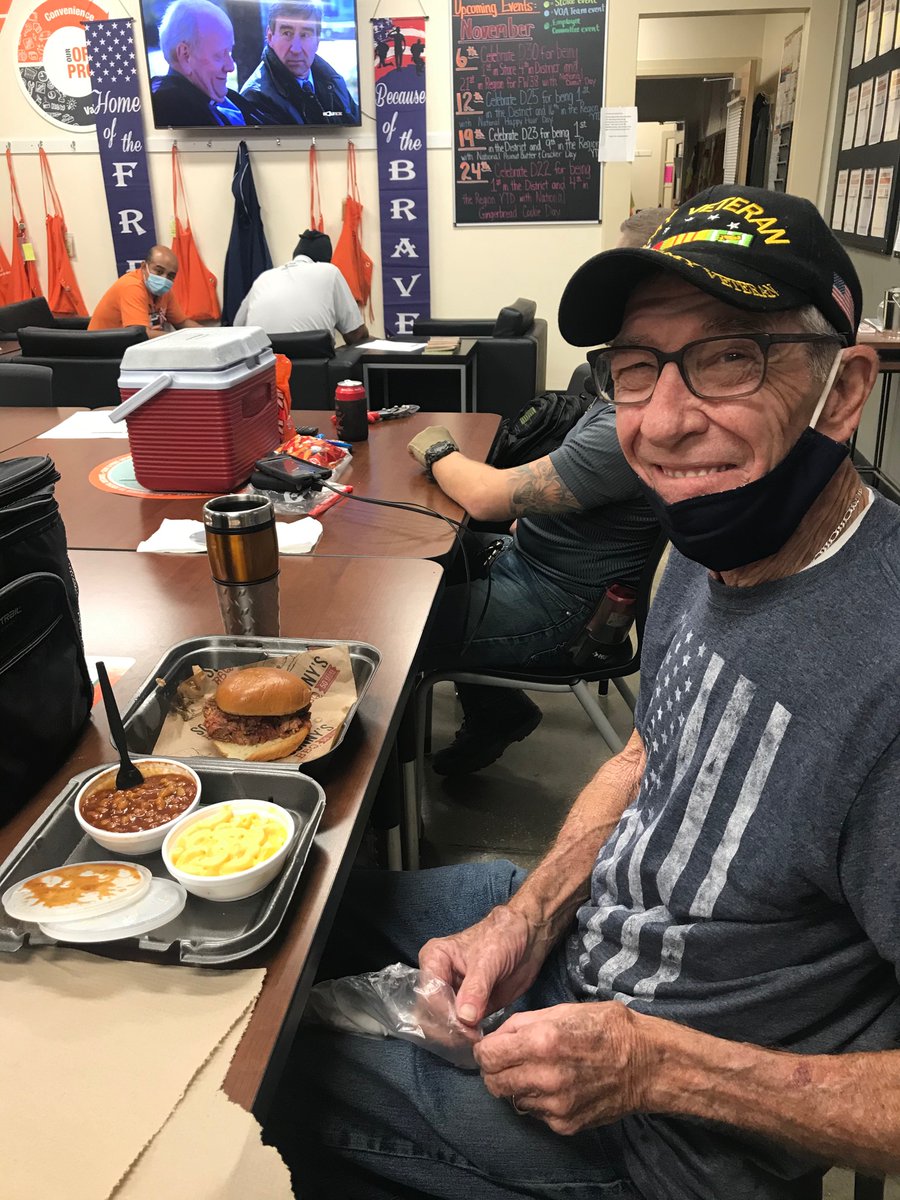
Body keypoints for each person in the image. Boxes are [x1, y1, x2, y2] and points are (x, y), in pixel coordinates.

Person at [267, 185, 900, 1199]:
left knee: (256, 1074)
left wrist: (656, 1063)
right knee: (296, 912)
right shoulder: (715, 534)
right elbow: (653, 751)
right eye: (637, 370)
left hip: (664, 1141)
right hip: (596, 939)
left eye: (731, 357)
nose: (664, 423)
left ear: (844, 386)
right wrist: (530, 912)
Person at [407, 209, 667, 778]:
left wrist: (435, 450)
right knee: (425, 556)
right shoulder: (622, 386)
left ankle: (384, 826)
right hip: (539, 562)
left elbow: (486, 498)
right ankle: (498, 711)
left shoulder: (635, 420)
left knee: (399, 636)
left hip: (561, 604)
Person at [150, 0, 276, 127]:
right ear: (185, 55)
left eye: (230, 52)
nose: (230, 67)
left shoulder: (220, 97)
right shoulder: (170, 109)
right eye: (219, 55)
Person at [232, 228, 369, 343]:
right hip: (314, 371)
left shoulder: (264, 277)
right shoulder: (329, 272)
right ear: (325, 260)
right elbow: (355, 335)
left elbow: (237, 329)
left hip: (265, 370)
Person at [240, 0, 359, 126]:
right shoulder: (256, 97)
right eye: (287, 33)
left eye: (305, 34)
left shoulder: (334, 81)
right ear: (270, 37)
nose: (295, 49)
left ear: (318, 40)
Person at [88, 245, 200, 339]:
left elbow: (182, 323)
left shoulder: (165, 291)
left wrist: (211, 334)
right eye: (159, 271)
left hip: (133, 349)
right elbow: (140, 334)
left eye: (170, 276)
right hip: (104, 353)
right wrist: (180, 338)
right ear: (143, 267)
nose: (164, 279)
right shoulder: (132, 287)